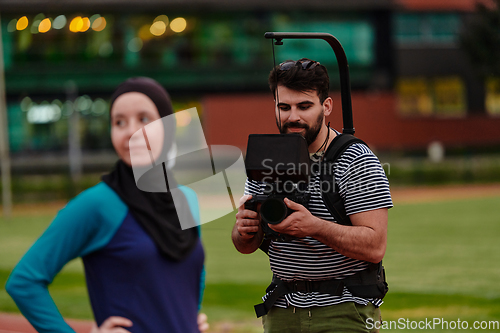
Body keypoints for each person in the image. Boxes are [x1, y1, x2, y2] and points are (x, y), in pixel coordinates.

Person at [6, 77, 209, 333]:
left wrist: (191, 313)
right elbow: (24, 282)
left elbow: (192, 269)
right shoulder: (97, 204)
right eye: (119, 122)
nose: (130, 131)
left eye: (144, 119)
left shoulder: (187, 198)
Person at [232, 58, 393, 333]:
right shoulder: (265, 157)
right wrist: (244, 230)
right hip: (282, 309)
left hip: (344, 310)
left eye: (304, 106)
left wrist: (314, 227)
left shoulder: (355, 159)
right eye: (284, 107)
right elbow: (245, 245)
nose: (293, 116)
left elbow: (375, 245)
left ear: (326, 106)